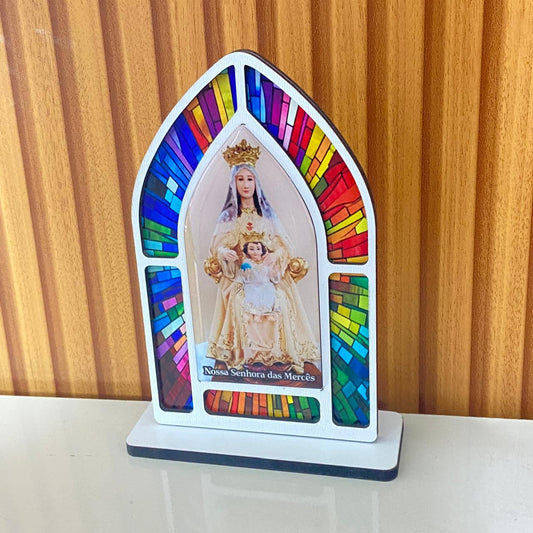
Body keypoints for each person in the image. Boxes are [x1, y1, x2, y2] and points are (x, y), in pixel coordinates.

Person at [205, 139, 320, 376]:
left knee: (281, 299)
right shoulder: (228, 217)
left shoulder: (267, 215)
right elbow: (217, 247)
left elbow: (284, 245)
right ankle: (246, 354)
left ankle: (279, 353)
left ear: (256, 182)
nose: (246, 184)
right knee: (238, 300)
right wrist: (224, 253)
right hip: (241, 274)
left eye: (250, 179)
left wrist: (276, 255)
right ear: (233, 183)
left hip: (268, 274)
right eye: (240, 179)